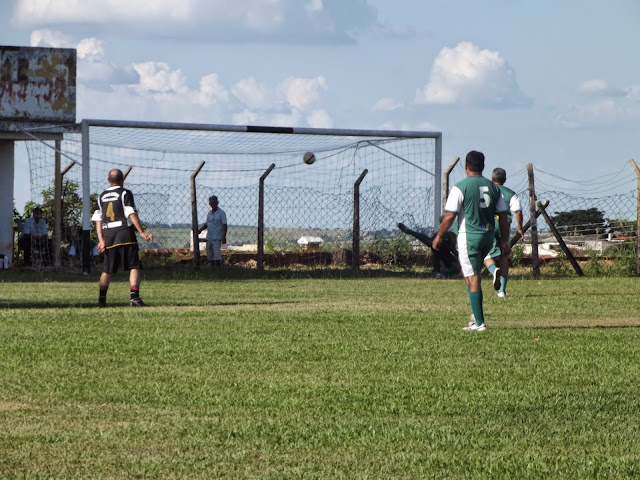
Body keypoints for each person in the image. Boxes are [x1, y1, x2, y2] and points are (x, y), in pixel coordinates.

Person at [433, 151, 510, 332]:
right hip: (488, 235)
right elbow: (503, 217)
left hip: (469, 236)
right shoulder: (494, 188)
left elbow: (450, 215)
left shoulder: (460, 187)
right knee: (470, 275)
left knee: (473, 276)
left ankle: (479, 322)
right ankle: (474, 315)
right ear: (483, 167)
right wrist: (505, 241)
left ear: (466, 167)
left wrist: (438, 236)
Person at [92, 169, 153, 307]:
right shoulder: (125, 193)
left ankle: (102, 300)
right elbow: (130, 212)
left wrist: (101, 240)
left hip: (108, 236)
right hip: (125, 233)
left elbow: (98, 220)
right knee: (134, 266)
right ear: (122, 179)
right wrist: (142, 232)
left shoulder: (101, 196)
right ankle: (134, 298)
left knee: (107, 269)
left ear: (108, 179)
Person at [483, 168, 524, 298]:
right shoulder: (511, 194)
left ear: (491, 178)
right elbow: (518, 211)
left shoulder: (486, 191)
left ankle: (493, 270)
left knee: (485, 253)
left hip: (489, 224)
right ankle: (502, 290)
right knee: (504, 256)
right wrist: (519, 228)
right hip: (504, 224)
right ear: (505, 180)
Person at [198, 195, 227, 268]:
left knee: (217, 255)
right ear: (209, 203)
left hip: (217, 237)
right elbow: (207, 224)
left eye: (214, 202)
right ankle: (212, 269)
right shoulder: (209, 213)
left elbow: (224, 225)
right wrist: (200, 230)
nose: (213, 203)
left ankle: (219, 269)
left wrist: (224, 236)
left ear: (217, 202)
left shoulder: (221, 213)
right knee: (210, 255)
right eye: (211, 202)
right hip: (209, 237)